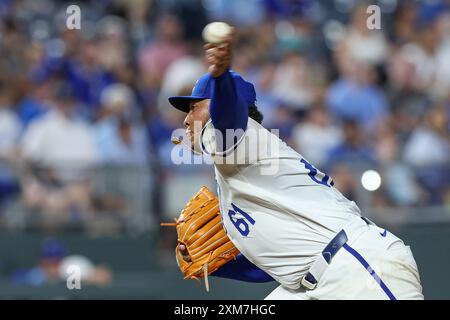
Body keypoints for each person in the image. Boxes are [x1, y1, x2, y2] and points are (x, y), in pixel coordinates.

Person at [168, 30, 423, 300]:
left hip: (357, 266)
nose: (186, 120)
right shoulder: (235, 172)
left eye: (195, 107)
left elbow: (228, 118)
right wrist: (217, 264)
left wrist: (220, 78)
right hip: (313, 281)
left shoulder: (242, 137)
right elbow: (272, 264)